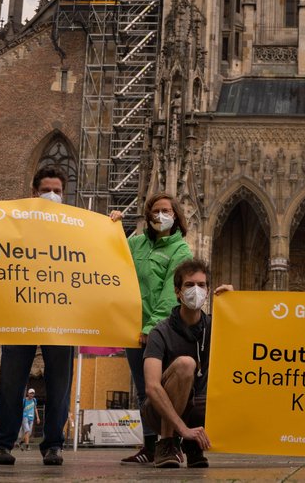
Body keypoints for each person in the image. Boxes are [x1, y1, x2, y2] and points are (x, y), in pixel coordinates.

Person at [0, 166, 122, 466]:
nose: (53, 195)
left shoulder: (74, 226)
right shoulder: (17, 222)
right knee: (10, 381)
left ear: (65, 194)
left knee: (61, 384)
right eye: (47, 189)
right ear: (34, 192)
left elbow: (96, 252)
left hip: (61, 315)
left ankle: (53, 445)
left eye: (58, 191)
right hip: (21, 311)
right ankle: (2, 442)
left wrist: (111, 225)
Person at [121, 193, 192, 466]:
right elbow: (109, 254)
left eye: (167, 210)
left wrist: (152, 326)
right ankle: (149, 446)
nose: (161, 215)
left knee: (162, 387)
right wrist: (112, 226)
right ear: (148, 216)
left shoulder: (180, 250)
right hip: (133, 325)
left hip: (160, 329)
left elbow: (168, 293)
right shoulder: (137, 244)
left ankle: (168, 441)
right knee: (143, 390)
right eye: (156, 210)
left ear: (176, 216)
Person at [143, 258, 232, 468]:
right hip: (159, 412)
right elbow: (152, 387)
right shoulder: (160, 332)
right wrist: (181, 428)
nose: (196, 290)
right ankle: (166, 443)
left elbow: (252, 343)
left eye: (201, 285)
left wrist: (236, 304)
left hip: (200, 408)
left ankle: (193, 446)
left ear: (208, 290)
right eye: (189, 285)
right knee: (185, 365)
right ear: (177, 292)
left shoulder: (217, 327)